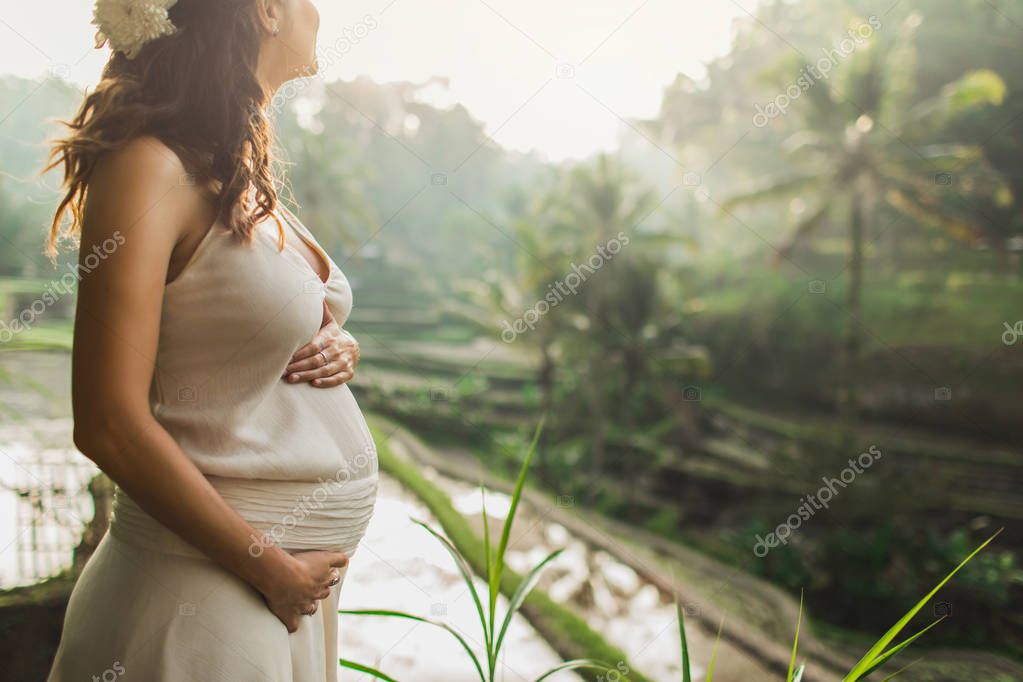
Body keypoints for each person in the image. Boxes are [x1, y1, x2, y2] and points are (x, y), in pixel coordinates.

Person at [44, 2, 378, 680]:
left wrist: (335, 342)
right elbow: (107, 422)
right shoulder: (149, 166)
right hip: (204, 593)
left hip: (267, 597)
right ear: (265, 12)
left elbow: (231, 325)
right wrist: (271, 566)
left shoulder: (228, 170)